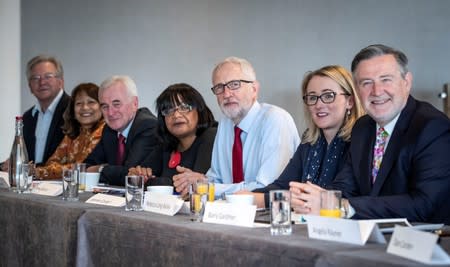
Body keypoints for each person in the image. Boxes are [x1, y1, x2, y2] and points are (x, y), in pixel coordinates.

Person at [291, 44, 450, 224]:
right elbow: (345, 186)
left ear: (406, 82)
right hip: (369, 238)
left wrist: (343, 206)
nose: (377, 91)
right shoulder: (363, 128)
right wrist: (316, 199)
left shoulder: (432, 127)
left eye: (385, 79)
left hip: (426, 243)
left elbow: (424, 204)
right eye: (366, 83)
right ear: (357, 91)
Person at [173, 57, 300, 197]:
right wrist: (200, 181)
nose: (226, 94)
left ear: (254, 89)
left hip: (271, 214)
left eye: (234, 84)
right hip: (230, 213)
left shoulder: (275, 120)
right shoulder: (225, 123)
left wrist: (211, 189)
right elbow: (218, 179)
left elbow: (267, 188)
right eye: (219, 88)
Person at [246, 65, 364, 208]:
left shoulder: (361, 138)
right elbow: (282, 186)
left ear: (349, 102)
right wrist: (247, 196)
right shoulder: (310, 140)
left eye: (328, 96)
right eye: (312, 97)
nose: (319, 104)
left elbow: (337, 194)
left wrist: (272, 199)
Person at [128, 83, 217, 193]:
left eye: (184, 107)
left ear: (199, 110)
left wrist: (151, 182)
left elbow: (194, 187)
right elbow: (140, 178)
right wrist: (138, 175)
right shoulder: (167, 145)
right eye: (169, 110)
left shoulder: (211, 137)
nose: (176, 115)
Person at [84, 75, 159, 186]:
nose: (110, 113)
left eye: (116, 104)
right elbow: (87, 166)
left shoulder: (148, 126)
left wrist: (101, 169)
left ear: (134, 103)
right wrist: (105, 169)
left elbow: (130, 175)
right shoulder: (109, 129)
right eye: (105, 106)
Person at [1, 55, 71, 170]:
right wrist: (7, 165)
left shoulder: (74, 111)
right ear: (29, 86)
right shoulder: (28, 117)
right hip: (34, 186)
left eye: (48, 76)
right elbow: (25, 159)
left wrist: (28, 168)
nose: (42, 82)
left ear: (61, 81)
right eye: (35, 78)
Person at [34, 83, 105, 179]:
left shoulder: (104, 131)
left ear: (102, 106)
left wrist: (42, 172)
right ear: (73, 110)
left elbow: (82, 167)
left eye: (91, 102)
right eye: (79, 103)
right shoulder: (73, 134)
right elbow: (51, 162)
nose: (85, 108)